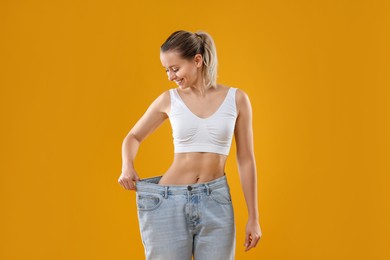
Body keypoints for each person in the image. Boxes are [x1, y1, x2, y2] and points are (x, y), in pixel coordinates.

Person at [118, 30, 262, 260]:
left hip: (215, 201)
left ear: (197, 60)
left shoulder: (237, 99)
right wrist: (128, 165)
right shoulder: (169, 99)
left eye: (175, 69)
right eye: (166, 70)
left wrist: (253, 217)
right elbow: (132, 137)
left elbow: (246, 159)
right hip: (167, 202)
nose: (170, 76)